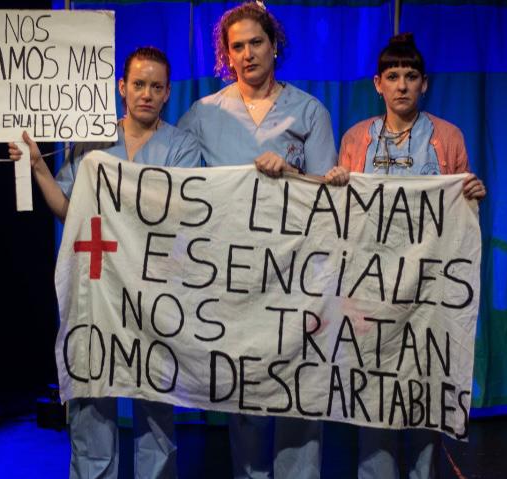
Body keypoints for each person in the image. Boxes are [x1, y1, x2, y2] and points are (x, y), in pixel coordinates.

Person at [9, 46, 201, 479]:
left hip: (154, 294)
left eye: (156, 87)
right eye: (139, 84)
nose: (146, 94)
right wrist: (38, 165)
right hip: (96, 291)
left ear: (168, 92)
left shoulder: (182, 148)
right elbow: (68, 210)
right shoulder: (92, 142)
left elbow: (181, 217)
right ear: (122, 87)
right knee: (92, 398)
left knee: (155, 401)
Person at [178, 2, 337, 478]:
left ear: (274, 46)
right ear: (226, 55)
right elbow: (174, 185)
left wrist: (290, 173)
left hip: (295, 275)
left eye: (256, 43)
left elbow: (330, 196)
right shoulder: (203, 114)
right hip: (235, 276)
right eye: (237, 46)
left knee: (298, 390)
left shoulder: (309, 110)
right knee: (244, 392)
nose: (247, 54)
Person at [325, 33, 486, 479]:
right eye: (393, 76)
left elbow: (458, 215)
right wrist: (336, 185)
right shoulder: (357, 139)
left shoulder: (447, 137)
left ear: (424, 83)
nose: (402, 85)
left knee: (423, 400)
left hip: (427, 296)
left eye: (411, 76)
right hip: (370, 293)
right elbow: (342, 219)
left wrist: (473, 193)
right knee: (374, 400)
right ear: (378, 84)